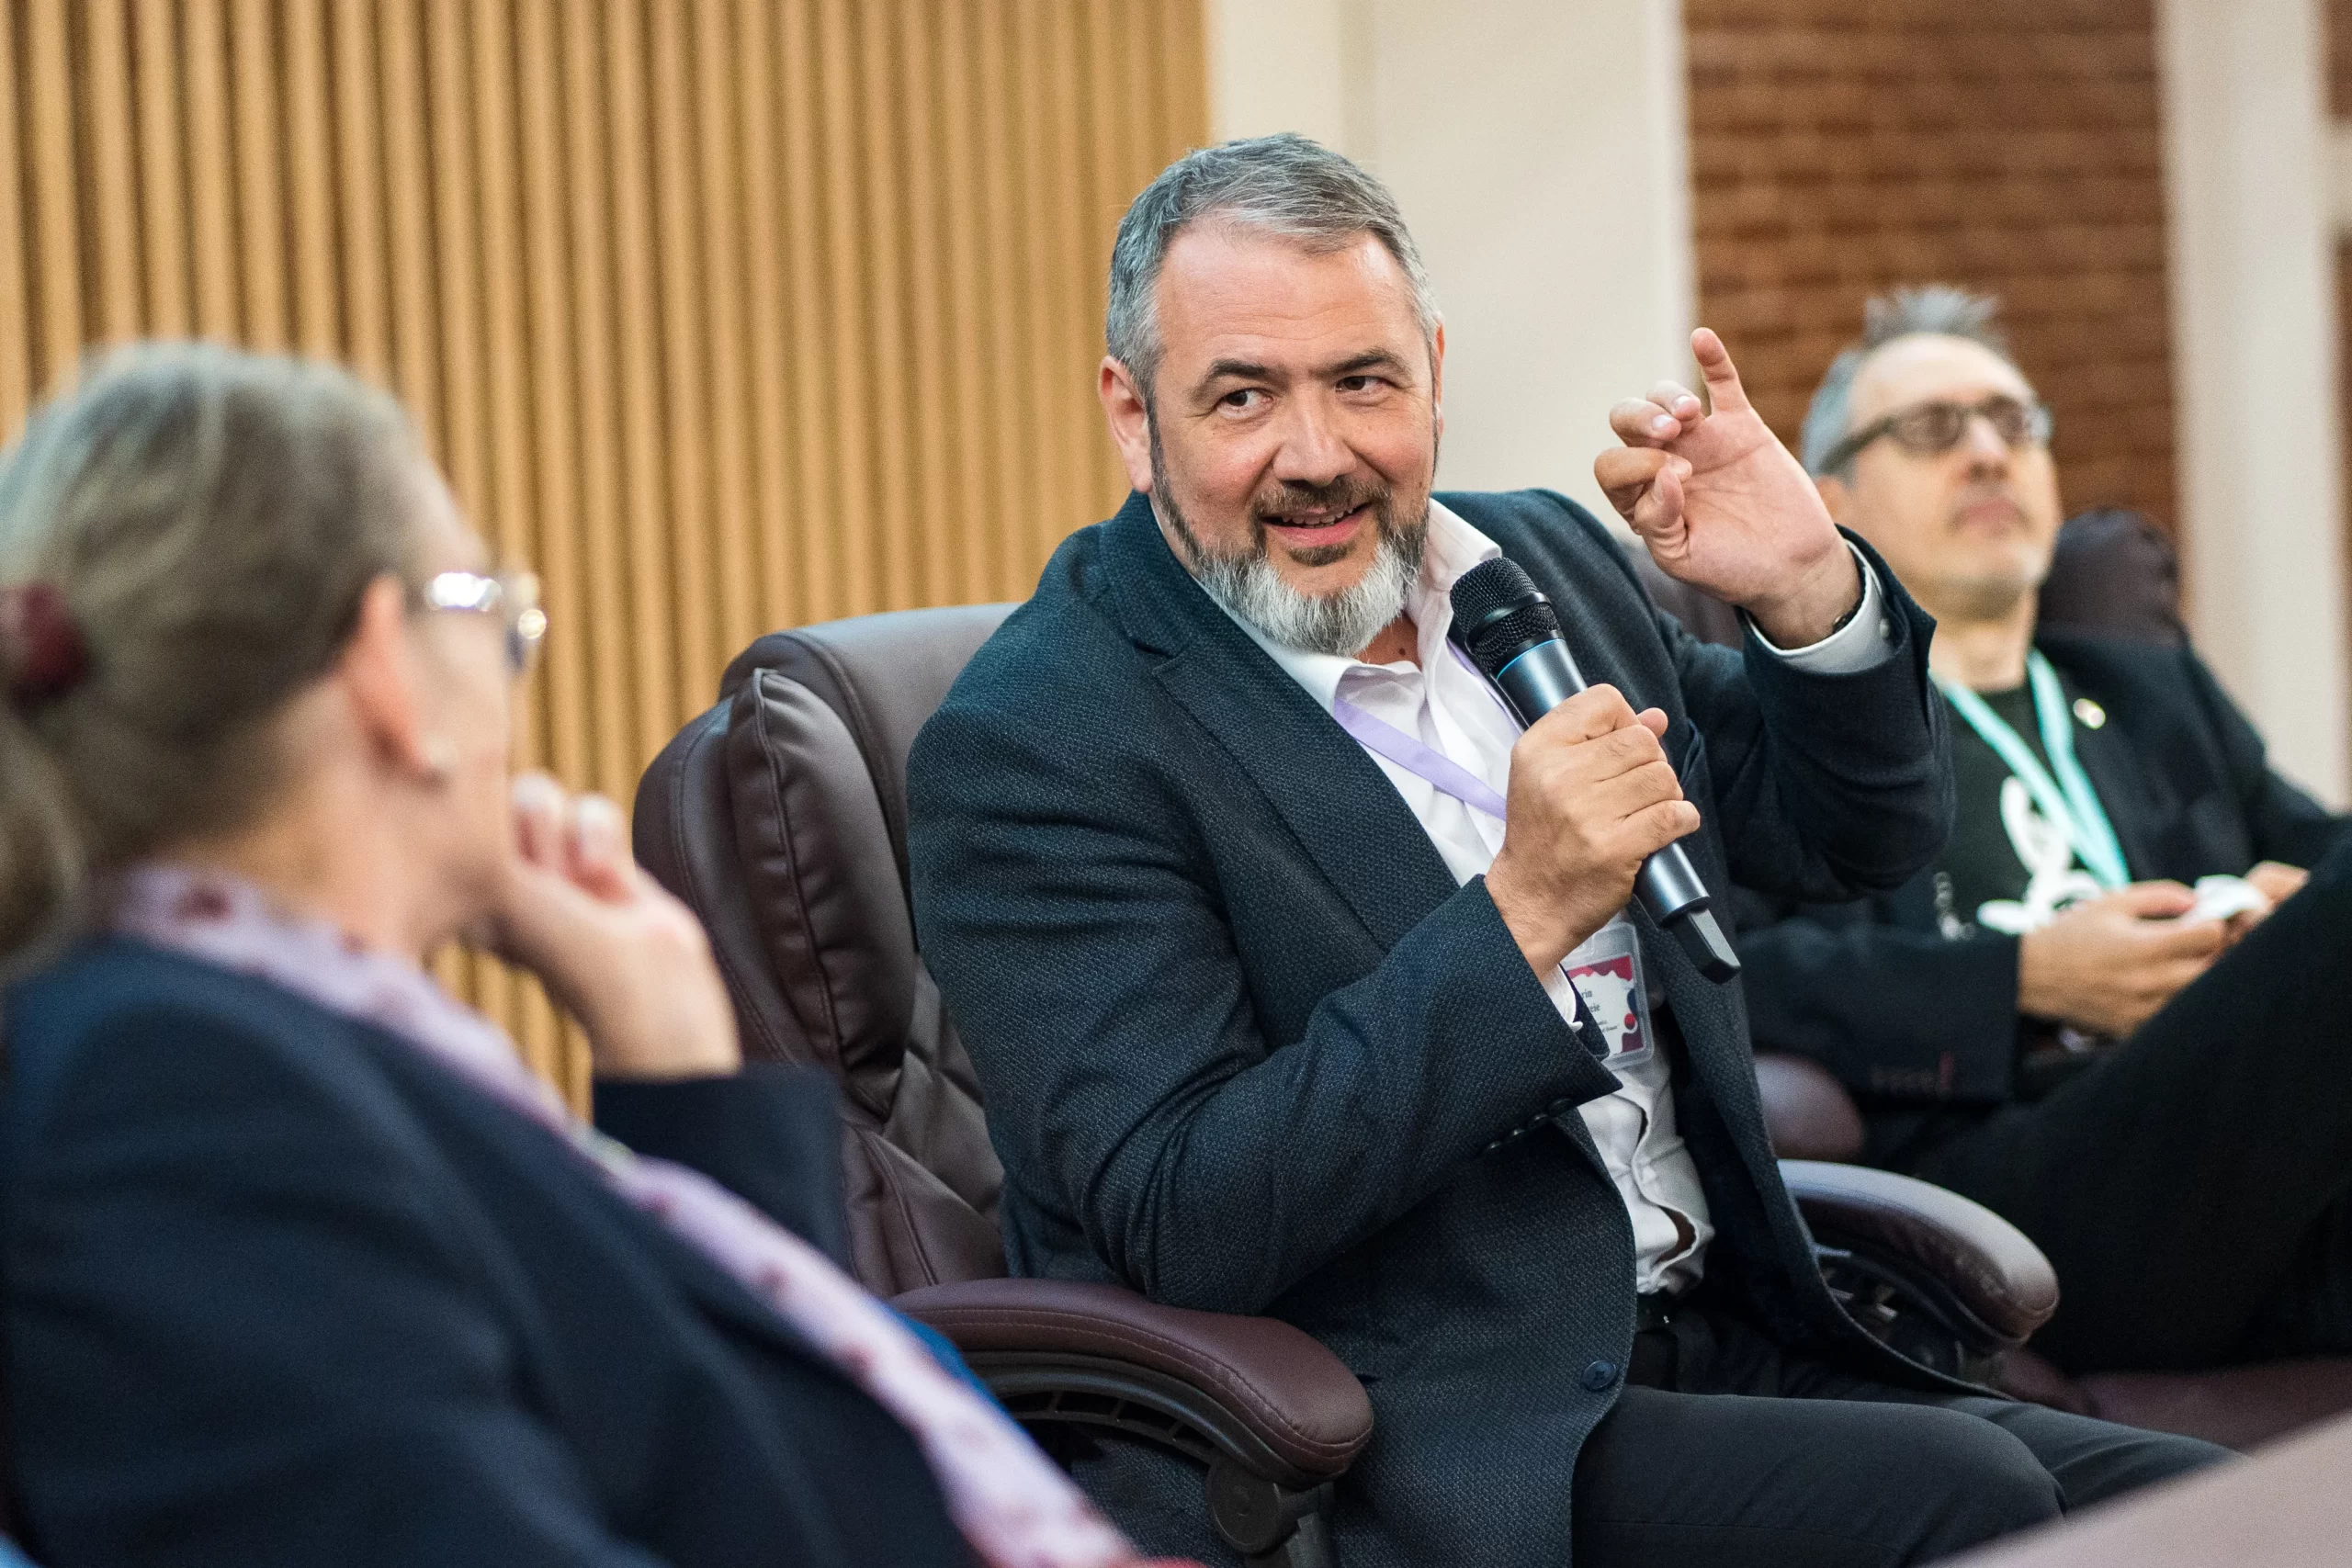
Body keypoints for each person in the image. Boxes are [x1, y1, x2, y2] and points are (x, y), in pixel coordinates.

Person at [906, 134, 2222, 1568]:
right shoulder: (1042, 737)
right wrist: (1523, 910)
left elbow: (1848, 834)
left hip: (1726, 1329)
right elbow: (1188, 1212)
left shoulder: (1534, 567)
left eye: (1363, 381)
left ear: (1434, 373)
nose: (1317, 454)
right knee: (1972, 1500)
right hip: (1430, 1430)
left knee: (2235, 1508)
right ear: (1132, 411)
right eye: (1243, 396)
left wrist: (1809, 595)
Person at [0, 344, 1195, 1568]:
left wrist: (680, 1069)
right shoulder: (170, 1098)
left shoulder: (265, 1047)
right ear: (384, 667)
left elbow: (738, 1455)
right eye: (492, 613)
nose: (512, 673)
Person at [1736, 286, 2352, 1375]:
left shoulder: (2149, 689)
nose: (1987, 454)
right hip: (2018, 1185)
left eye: (2012, 423)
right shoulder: (1800, 731)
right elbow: (1741, 973)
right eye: (1932, 430)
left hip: (2257, 1179)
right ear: (1831, 501)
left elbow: (2318, 857)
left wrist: (2274, 914)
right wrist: (2023, 979)